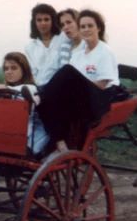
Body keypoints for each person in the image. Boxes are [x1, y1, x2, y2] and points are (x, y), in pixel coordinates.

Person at [23, 9, 121, 152]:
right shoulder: (78, 54)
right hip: (83, 98)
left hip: (100, 99)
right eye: (82, 27)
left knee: (67, 71)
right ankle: (59, 142)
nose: (86, 30)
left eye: (90, 26)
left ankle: (39, 93)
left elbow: (102, 84)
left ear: (98, 28)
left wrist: (73, 90)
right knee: (45, 103)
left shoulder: (104, 51)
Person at [0, 52, 49, 155]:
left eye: (14, 68)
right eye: (6, 69)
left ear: (24, 70)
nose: (9, 72)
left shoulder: (30, 88)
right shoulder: (5, 91)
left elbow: (2, 88)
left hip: (25, 137)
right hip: (4, 133)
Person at [25, 3, 67, 85]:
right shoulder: (30, 47)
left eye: (46, 19)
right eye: (39, 20)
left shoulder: (64, 38)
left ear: (53, 20)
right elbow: (33, 74)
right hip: (40, 88)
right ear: (34, 22)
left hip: (63, 85)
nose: (43, 23)